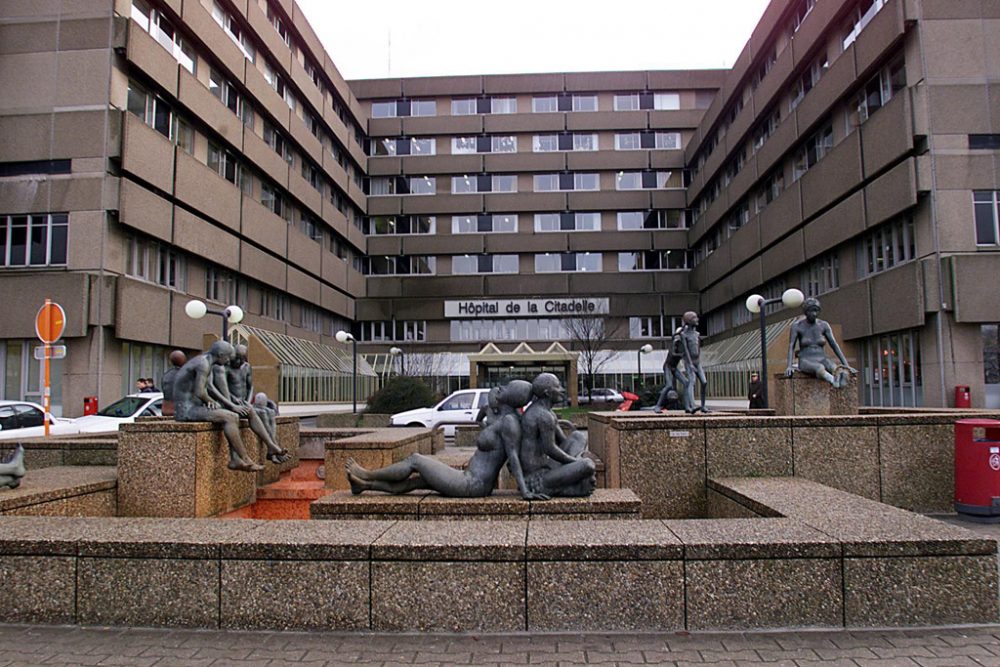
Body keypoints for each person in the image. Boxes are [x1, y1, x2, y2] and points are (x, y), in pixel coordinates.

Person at [346, 380, 545, 499]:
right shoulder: (502, 417)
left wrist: (525, 490)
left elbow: (514, 458)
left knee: (416, 460)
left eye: (507, 387)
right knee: (418, 481)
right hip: (469, 479)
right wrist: (495, 402)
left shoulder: (509, 423)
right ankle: (364, 485)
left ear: (513, 397)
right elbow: (488, 405)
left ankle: (366, 474)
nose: (500, 387)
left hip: (472, 485)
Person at [172, 340, 262, 472]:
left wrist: (231, 405)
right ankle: (245, 459)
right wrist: (211, 401)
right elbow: (200, 391)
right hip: (187, 409)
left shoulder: (205, 361)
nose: (227, 362)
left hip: (192, 406)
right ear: (220, 354)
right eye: (227, 358)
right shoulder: (203, 364)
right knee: (230, 417)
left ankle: (236, 459)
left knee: (233, 415)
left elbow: (210, 388)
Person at [518, 373, 596, 498]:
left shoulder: (548, 412)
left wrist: (574, 462)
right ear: (547, 393)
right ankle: (566, 487)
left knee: (578, 436)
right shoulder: (543, 416)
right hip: (537, 477)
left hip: (548, 467)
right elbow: (550, 449)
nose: (562, 390)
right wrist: (575, 462)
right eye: (557, 387)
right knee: (588, 465)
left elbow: (563, 442)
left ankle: (570, 483)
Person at [213, 344, 289, 464]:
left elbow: (250, 387)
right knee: (263, 413)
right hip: (232, 404)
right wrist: (234, 399)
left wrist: (248, 401)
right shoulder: (225, 368)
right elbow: (222, 388)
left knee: (270, 412)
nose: (238, 361)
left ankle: (272, 446)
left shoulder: (247, 367)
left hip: (245, 403)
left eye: (241, 359)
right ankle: (272, 448)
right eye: (236, 358)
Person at [786, 297, 857, 388]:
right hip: (806, 360)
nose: (814, 314)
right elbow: (791, 345)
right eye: (811, 311)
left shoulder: (823, 325)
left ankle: (840, 383)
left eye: (816, 311)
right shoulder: (797, 326)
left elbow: (834, 345)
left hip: (822, 358)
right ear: (806, 312)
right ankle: (832, 380)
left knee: (835, 369)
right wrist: (789, 365)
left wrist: (846, 365)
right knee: (819, 368)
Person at [679, 311, 709, 414]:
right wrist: (690, 364)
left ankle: (703, 406)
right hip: (689, 362)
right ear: (689, 321)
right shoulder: (684, 335)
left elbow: (698, 348)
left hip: (697, 361)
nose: (697, 320)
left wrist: (698, 360)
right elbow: (686, 350)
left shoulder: (697, 334)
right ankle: (692, 405)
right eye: (695, 318)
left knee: (704, 382)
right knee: (691, 382)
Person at [655, 328, 688, 413]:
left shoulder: (683, 345)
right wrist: (683, 354)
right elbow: (673, 354)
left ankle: (687, 405)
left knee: (686, 383)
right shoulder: (675, 343)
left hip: (674, 367)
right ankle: (658, 405)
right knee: (669, 385)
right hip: (668, 367)